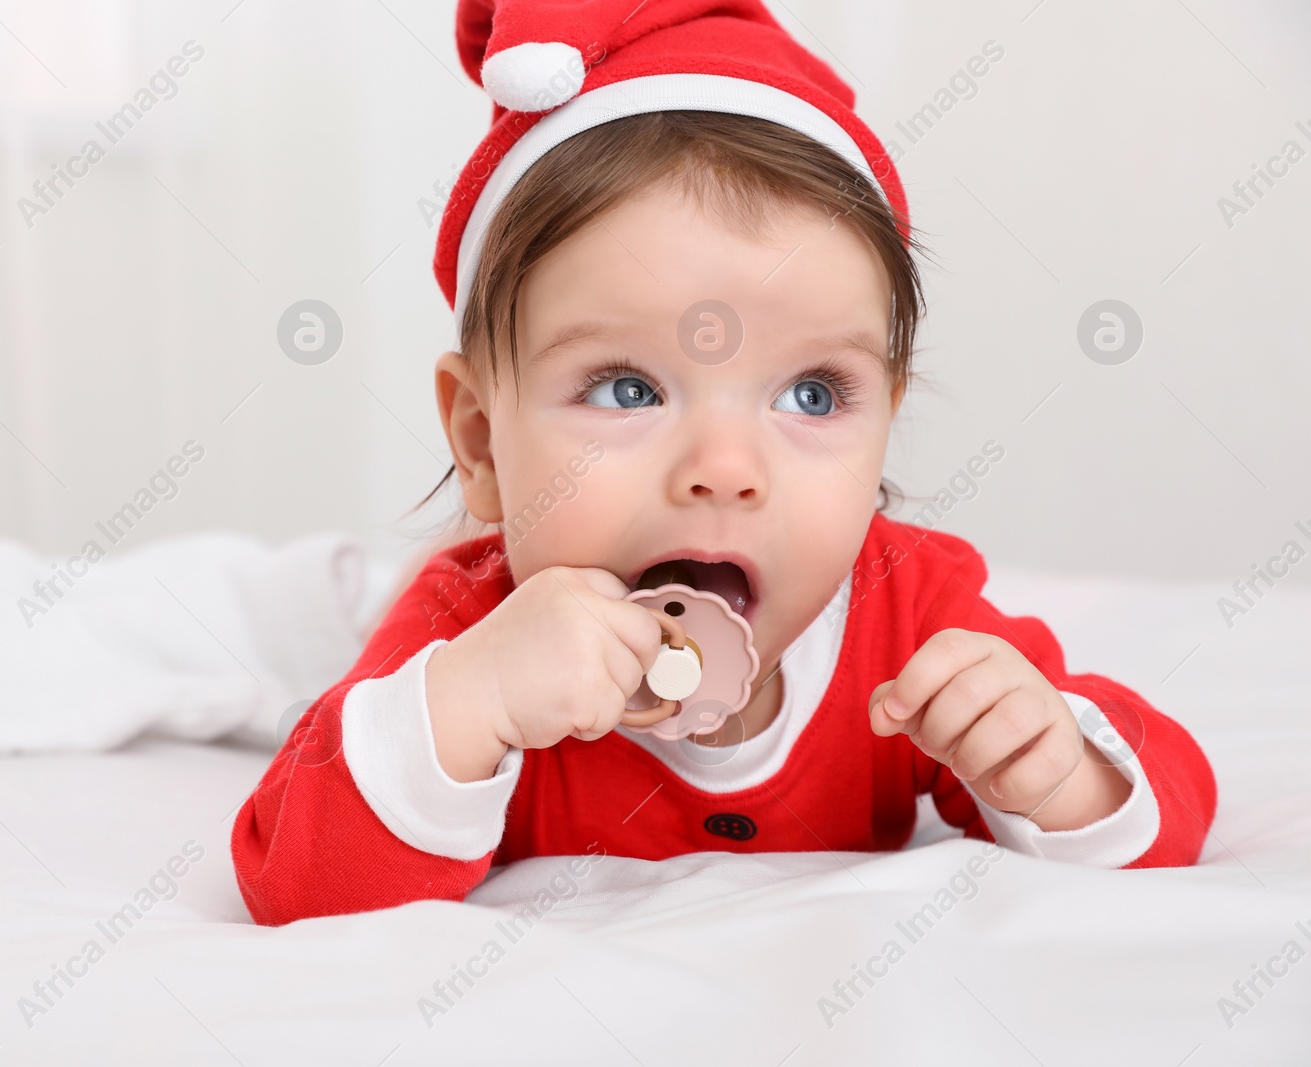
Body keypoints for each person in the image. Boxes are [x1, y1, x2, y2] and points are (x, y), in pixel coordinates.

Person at [232, 0, 1216, 927]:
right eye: (627, 388)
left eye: (812, 395)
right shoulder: (469, 630)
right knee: (299, 629)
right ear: (483, 441)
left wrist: (1058, 770)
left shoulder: (907, 611)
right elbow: (294, 880)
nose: (724, 468)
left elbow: (1173, 804)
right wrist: (467, 705)